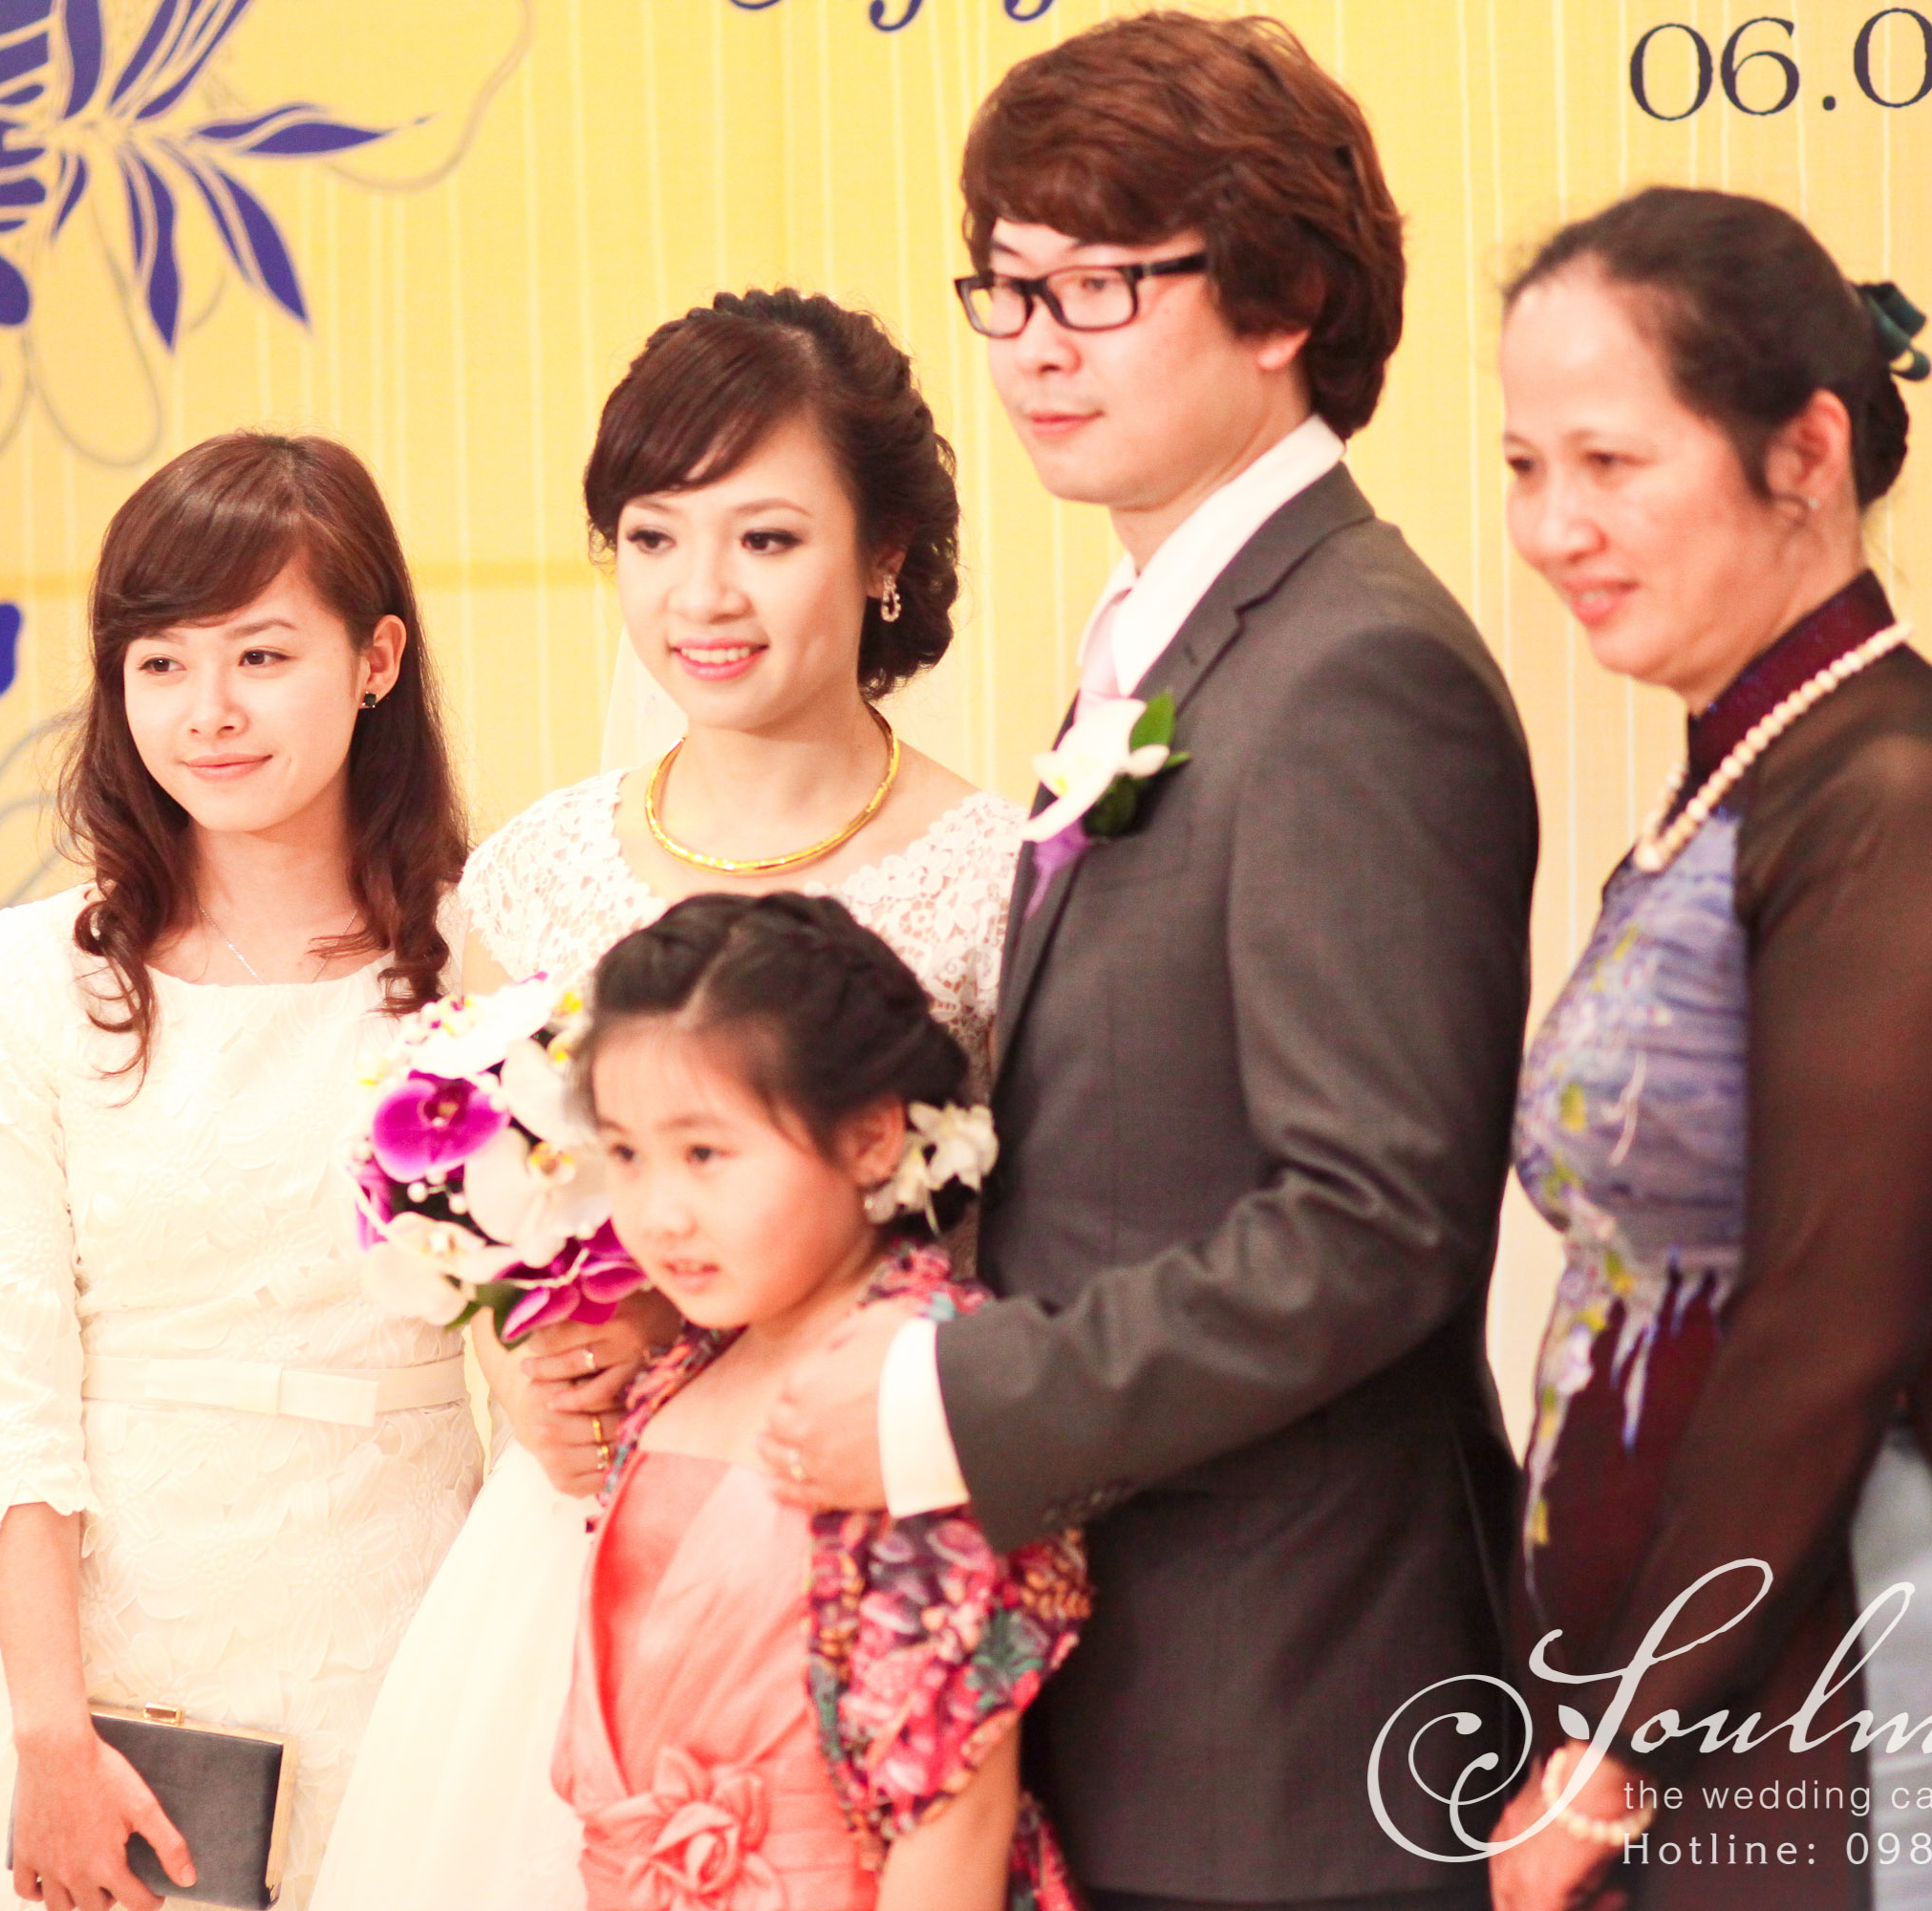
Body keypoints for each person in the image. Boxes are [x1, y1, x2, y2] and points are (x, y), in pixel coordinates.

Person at [767, 15, 1540, 1910]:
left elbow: (1372, 1228)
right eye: (1007, 284)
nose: (1034, 343)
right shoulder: (1173, 636)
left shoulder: (1356, 667)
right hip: (1145, 1700)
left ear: (1286, 301)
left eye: (1100, 285)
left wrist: (952, 1408)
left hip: (1294, 1721)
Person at [313, 289, 1021, 1910]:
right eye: (652, 537)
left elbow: (1030, 1251)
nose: (701, 595)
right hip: (566, 1553)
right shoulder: (537, 873)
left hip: (859, 1555)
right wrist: (523, 1364)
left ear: (886, 554)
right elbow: (479, 1218)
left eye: (766, 538)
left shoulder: (998, 880)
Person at [1486, 186, 1932, 1911]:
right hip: (1713, 1704)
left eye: (1611, 463)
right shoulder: (1752, 775)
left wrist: (1627, 1739)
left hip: (1869, 1691)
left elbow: (1832, 1333)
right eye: (1527, 466)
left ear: (1806, 452)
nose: (1553, 526)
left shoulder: (1902, 799)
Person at [0, 433, 483, 1911]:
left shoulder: (482, 966)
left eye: (261, 655)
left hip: (409, 1629)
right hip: (109, 1672)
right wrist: (50, 1734)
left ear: (375, 661)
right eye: (161, 663)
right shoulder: (30, 979)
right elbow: (8, 1385)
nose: (210, 711)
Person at [566, 891, 1088, 1910]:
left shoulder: (916, 1388)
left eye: (705, 1154)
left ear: (870, 1138)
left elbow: (953, 1814)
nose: (661, 1213)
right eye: (626, 1153)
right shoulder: (682, 1371)